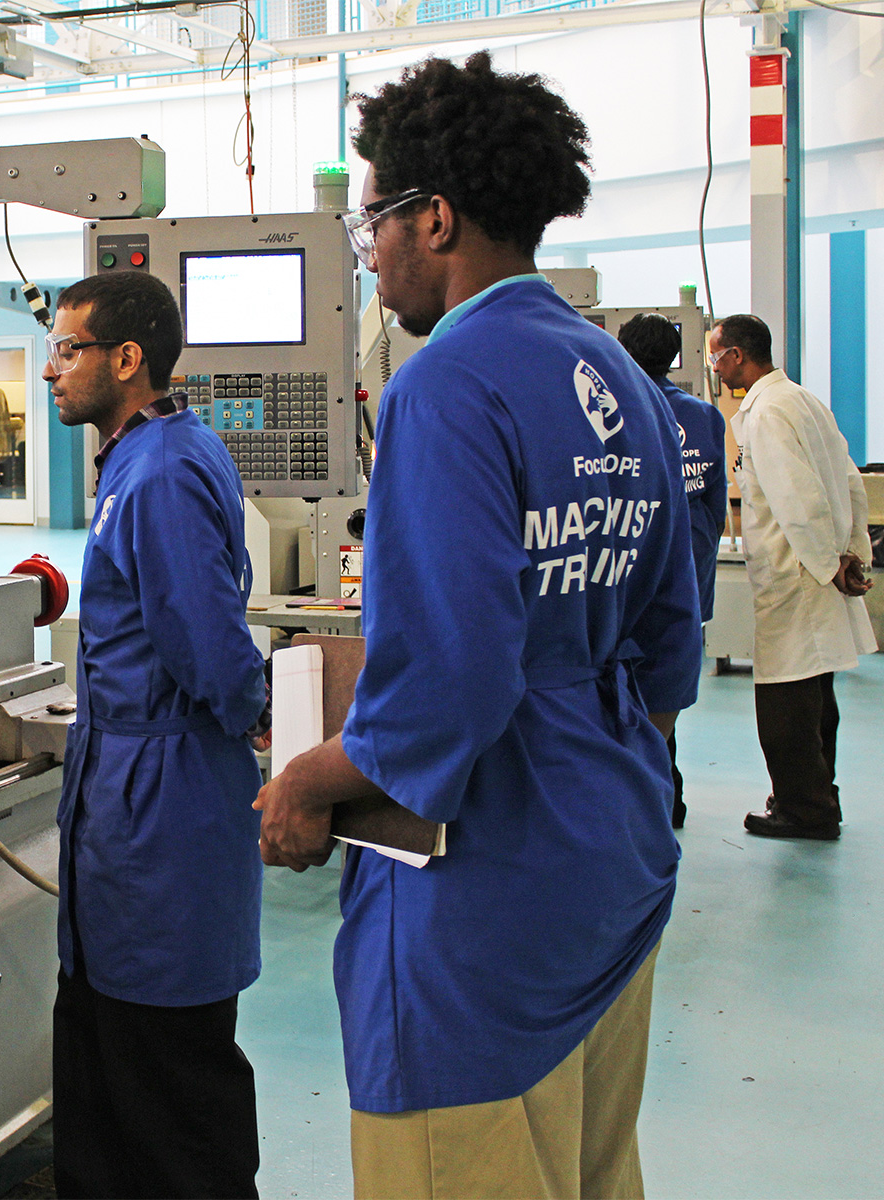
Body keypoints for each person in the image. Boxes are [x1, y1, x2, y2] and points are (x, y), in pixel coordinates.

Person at [255, 52, 702, 1199]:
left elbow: (448, 681)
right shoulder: (622, 380)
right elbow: (666, 638)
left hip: (479, 891)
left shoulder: (443, 386)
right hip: (612, 853)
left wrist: (311, 778)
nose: (370, 254)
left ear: (434, 218)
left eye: (371, 227)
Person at [42, 270, 270, 1199]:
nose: (52, 370)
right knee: (106, 1084)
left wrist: (260, 717)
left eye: (69, 350)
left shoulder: (163, 473)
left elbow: (209, 654)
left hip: (161, 814)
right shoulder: (146, 456)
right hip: (126, 804)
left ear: (127, 361)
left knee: (170, 1094)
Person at [708, 313, 875, 840]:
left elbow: (795, 500)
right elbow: (849, 480)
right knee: (817, 696)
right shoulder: (802, 400)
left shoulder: (765, 413)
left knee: (784, 703)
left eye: (714, 355)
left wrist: (828, 565)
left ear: (736, 355)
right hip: (817, 567)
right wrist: (851, 554)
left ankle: (803, 810)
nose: (712, 365)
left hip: (795, 573)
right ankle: (821, 795)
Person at [618, 313, 728, 828]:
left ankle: (652, 800)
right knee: (668, 686)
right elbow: (715, 505)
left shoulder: (616, 413)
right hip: (690, 571)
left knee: (631, 693)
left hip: (634, 580)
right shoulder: (705, 417)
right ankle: (669, 799)